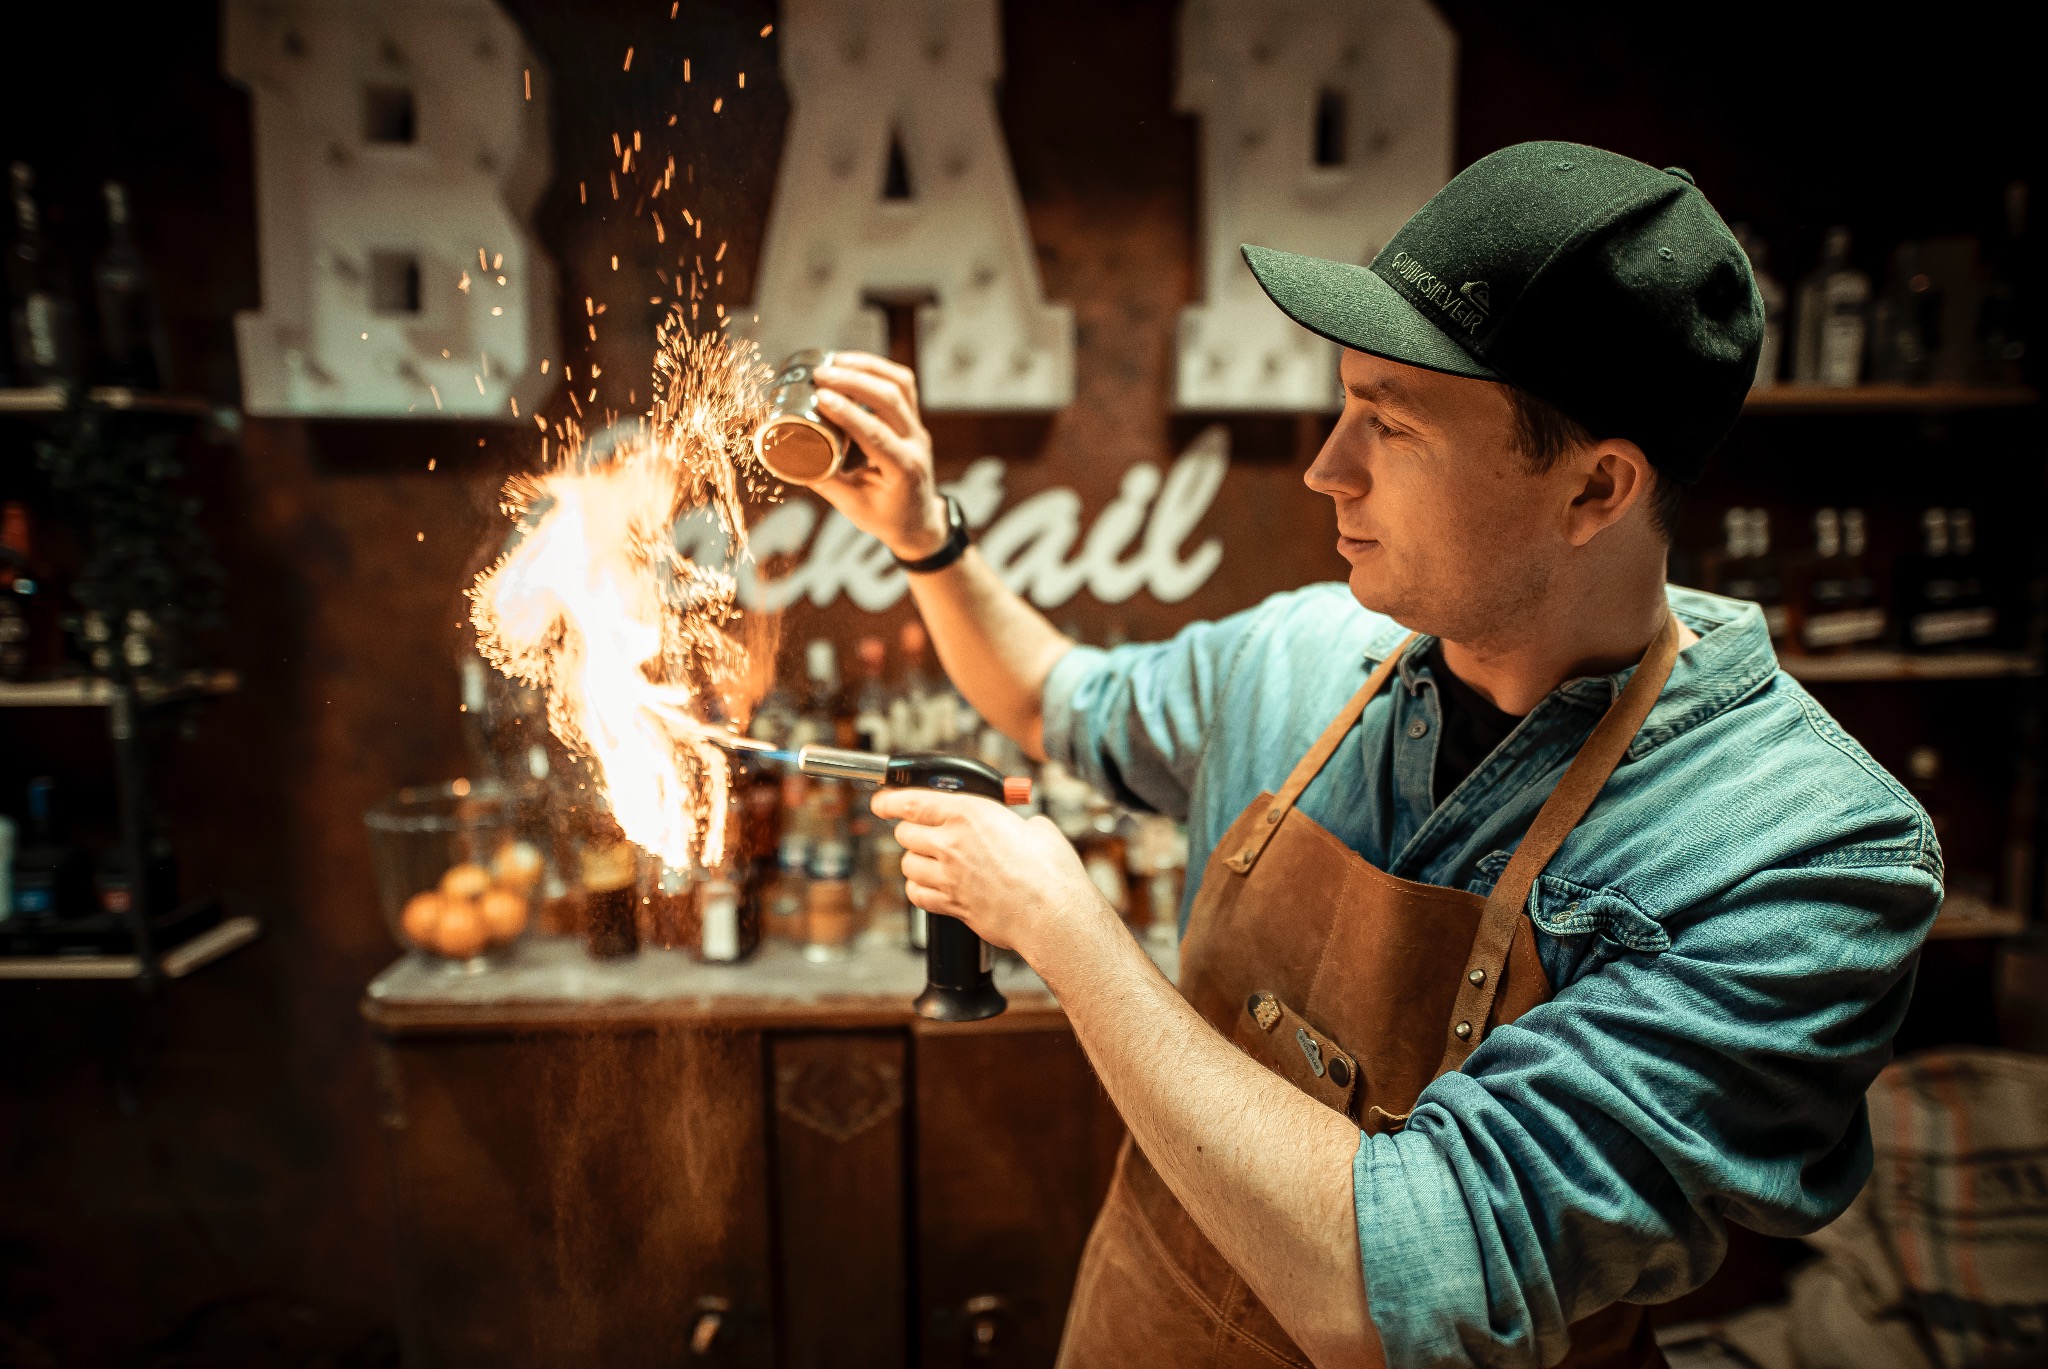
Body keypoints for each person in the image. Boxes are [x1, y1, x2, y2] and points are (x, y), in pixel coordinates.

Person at [805, 142, 1940, 1369]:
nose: (1323, 467)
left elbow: (1404, 1291)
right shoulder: (1299, 653)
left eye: (1388, 425)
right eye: (1342, 401)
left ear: (1593, 489)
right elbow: (1053, 697)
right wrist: (924, 536)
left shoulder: (1801, 860)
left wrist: (1066, 932)